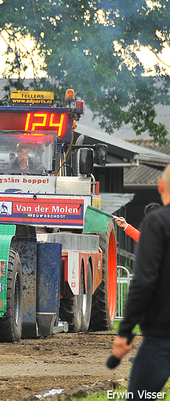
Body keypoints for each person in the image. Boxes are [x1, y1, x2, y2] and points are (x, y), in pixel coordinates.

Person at [112, 165, 170, 399]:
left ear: (160, 186)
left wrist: (125, 331)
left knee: (140, 396)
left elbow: (143, 283)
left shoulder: (157, 225)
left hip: (162, 333)